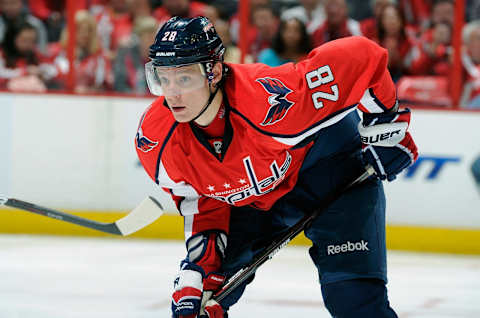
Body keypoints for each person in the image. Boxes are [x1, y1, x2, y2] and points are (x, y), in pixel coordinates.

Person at [136, 16, 418, 318]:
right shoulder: (156, 138)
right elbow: (199, 199)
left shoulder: (274, 105)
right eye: (163, 79)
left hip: (334, 173)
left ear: (214, 72)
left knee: (353, 301)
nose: (172, 93)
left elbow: (364, 55)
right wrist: (199, 266)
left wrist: (386, 124)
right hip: (258, 202)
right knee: (202, 299)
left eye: (185, 78)